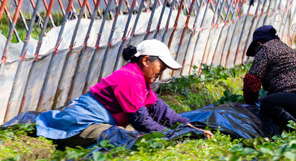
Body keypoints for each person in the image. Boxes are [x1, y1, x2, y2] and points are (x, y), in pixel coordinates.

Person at [36, 40, 212, 147]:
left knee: (131, 134)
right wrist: (174, 137)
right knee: (128, 137)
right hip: (80, 125)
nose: (162, 72)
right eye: (161, 67)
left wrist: (190, 128)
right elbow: (141, 121)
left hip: (97, 122)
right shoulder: (129, 78)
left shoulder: (141, 82)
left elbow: (161, 111)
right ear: (145, 60)